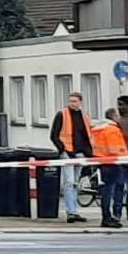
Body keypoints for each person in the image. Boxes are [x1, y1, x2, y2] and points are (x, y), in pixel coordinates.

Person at [49, 92, 94, 223]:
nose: (72, 103)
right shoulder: (62, 114)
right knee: (69, 182)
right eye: (70, 101)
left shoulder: (85, 117)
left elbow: (88, 135)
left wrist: (88, 153)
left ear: (80, 102)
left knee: (75, 183)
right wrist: (62, 149)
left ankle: (74, 211)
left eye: (74, 101)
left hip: (80, 153)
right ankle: (71, 212)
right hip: (67, 153)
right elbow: (54, 135)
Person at [91, 108, 128, 228]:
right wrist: (124, 158)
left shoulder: (98, 129)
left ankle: (107, 216)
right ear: (113, 116)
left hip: (102, 161)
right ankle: (107, 217)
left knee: (106, 190)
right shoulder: (112, 130)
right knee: (110, 191)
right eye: (117, 115)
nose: (119, 117)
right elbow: (113, 149)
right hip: (113, 162)